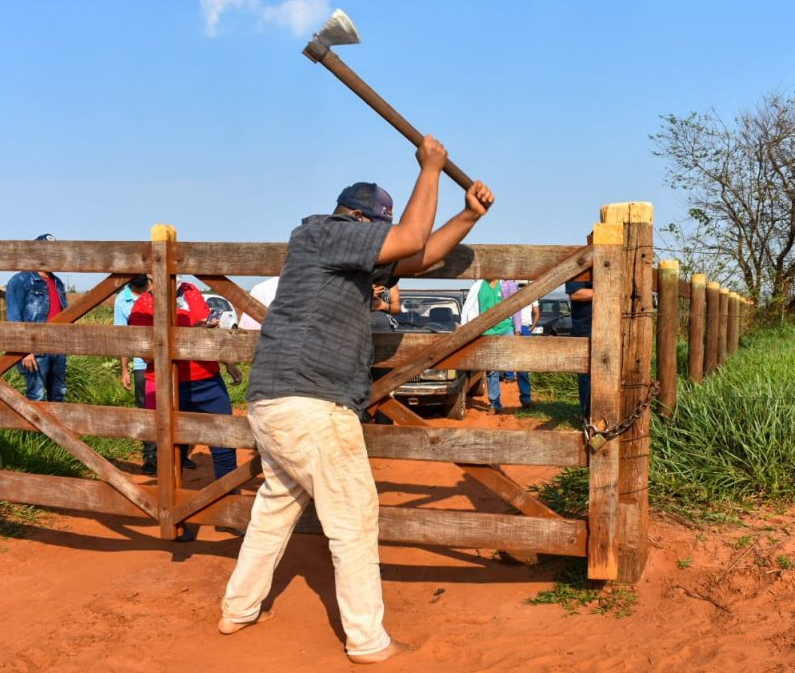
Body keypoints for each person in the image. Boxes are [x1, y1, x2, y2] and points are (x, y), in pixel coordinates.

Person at [218, 135, 494, 665]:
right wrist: (431, 168)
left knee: (276, 508)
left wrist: (468, 215)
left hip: (282, 402)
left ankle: (239, 608)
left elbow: (420, 253)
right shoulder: (327, 232)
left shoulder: (342, 251)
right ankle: (368, 641)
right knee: (354, 518)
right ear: (362, 222)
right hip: (312, 402)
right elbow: (412, 236)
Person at [128, 280, 237, 478]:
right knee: (169, 450)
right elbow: (148, 356)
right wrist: (191, 335)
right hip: (166, 385)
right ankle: (175, 504)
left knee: (225, 443)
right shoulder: (142, 307)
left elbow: (209, 330)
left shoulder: (190, 290)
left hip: (207, 379)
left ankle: (229, 497)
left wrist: (228, 362)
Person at [5, 234, 69, 402]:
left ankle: (55, 429)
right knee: (36, 396)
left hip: (58, 346)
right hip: (35, 350)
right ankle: (33, 430)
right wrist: (25, 351)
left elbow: (64, 314)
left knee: (59, 394)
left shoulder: (58, 282)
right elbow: (14, 318)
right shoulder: (20, 280)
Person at [114, 274, 158, 474]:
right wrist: (125, 368)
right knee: (147, 410)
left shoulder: (160, 291)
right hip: (142, 364)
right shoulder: (122, 300)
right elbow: (123, 336)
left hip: (169, 362)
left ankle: (178, 454)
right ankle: (150, 455)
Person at [462, 278, 521, 414]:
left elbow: (516, 307)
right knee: (491, 369)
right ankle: (495, 404)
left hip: (506, 329)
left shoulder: (507, 284)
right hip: (487, 331)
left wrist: (517, 329)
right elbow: (470, 308)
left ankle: (526, 398)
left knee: (517, 363)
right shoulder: (478, 285)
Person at [565, 279, 593, 421]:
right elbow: (575, 294)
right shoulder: (579, 266)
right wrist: (607, 291)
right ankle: (587, 415)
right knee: (586, 376)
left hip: (610, 326)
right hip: (586, 328)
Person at [514, 283, 540, 409]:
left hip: (524, 328)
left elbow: (537, 312)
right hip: (514, 327)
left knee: (524, 365)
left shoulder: (532, 294)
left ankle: (526, 398)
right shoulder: (513, 293)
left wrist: (530, 328)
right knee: (518, 364)